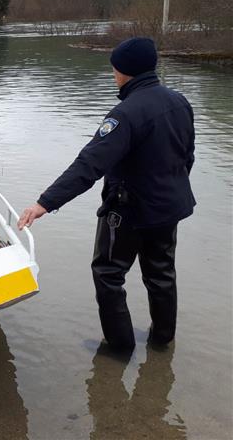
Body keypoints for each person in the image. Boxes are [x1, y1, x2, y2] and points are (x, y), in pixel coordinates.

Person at [17, 36, 195, 351]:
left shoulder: (124, 115)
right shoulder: (180, 102)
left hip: (129, 212)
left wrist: (45, 202)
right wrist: (168, 190)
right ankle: (162, 340)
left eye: (114, 69)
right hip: (169, 209)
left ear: (126, 72)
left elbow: (89, 165)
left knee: (109, 275)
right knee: (162, 274)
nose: (113, 74)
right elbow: (187, 156)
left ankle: (119, 346)